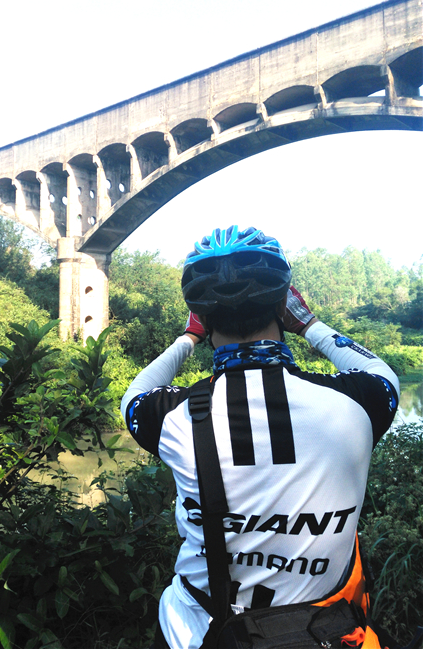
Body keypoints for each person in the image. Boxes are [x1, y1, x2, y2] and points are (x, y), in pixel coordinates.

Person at [121, 226, 400, 649]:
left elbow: (135, 394)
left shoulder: (172, 417)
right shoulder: (357, 403)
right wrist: (309, 324)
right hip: (322, 634)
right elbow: (383, 373)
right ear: (282, 305)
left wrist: (189, 336)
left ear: (203, 316)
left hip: (192, 631)